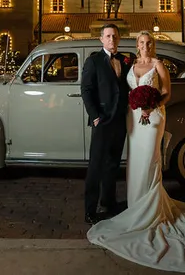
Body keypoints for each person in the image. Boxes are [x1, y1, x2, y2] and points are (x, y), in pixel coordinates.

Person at [87, 30, 185, 273]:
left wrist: (152, 104)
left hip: (153, 117)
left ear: (153, 45)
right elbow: (118, 89)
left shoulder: (158, 64)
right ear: (137, 45)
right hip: (133, 119)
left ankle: (150, 210)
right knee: (135, 162)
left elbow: (167, 92)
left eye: (149, 42)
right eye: (142, 42)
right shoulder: (131, 62)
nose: (146, 46)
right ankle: (136, 205)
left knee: (150, 160)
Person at [81, 23, 134, 225]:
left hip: (120, 119)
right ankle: (90, 210)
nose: (112, 39)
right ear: (101, 39)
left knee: (113, 164)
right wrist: (95, 115)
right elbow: (86, 89)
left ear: (119, 39)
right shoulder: (93, 61)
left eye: (115, 36)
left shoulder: (125, 60)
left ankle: (109, 202)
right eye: (108, 36)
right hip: (102, 120)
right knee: (96, 166)